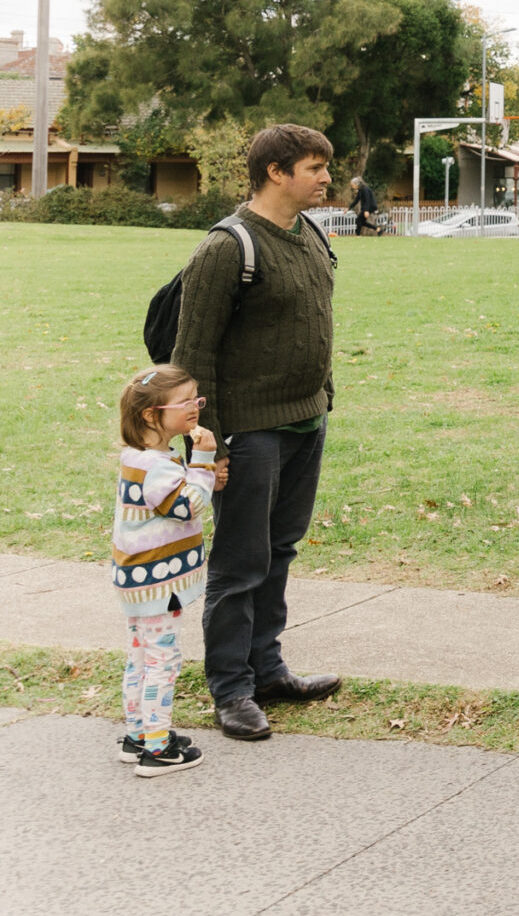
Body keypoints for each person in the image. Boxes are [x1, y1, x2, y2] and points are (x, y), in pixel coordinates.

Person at [173, 123, 345, 743]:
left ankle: (268, 670)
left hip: (305, 419)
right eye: (315, 167)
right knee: (239, 564)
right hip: (248, 432)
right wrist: (205, 448)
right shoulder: (227, 247)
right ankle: (231, 688)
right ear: (276, 171)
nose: (327, 178)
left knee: (279, 552)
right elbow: (191, 356)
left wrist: (321, 401)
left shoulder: (310, 232)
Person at [110, 364, 224, 776]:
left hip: (138, 580)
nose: (195, 406)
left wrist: (199, 474)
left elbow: (180, 493)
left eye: (197, 398)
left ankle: (137, 735)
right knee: (163, 660)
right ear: (150, 414)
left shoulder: (140, 458)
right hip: (158, 581)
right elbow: (187, 506)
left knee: (140, 656)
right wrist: (205, 461)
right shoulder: (156, 466)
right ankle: (159, 748)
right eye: (186, 401)